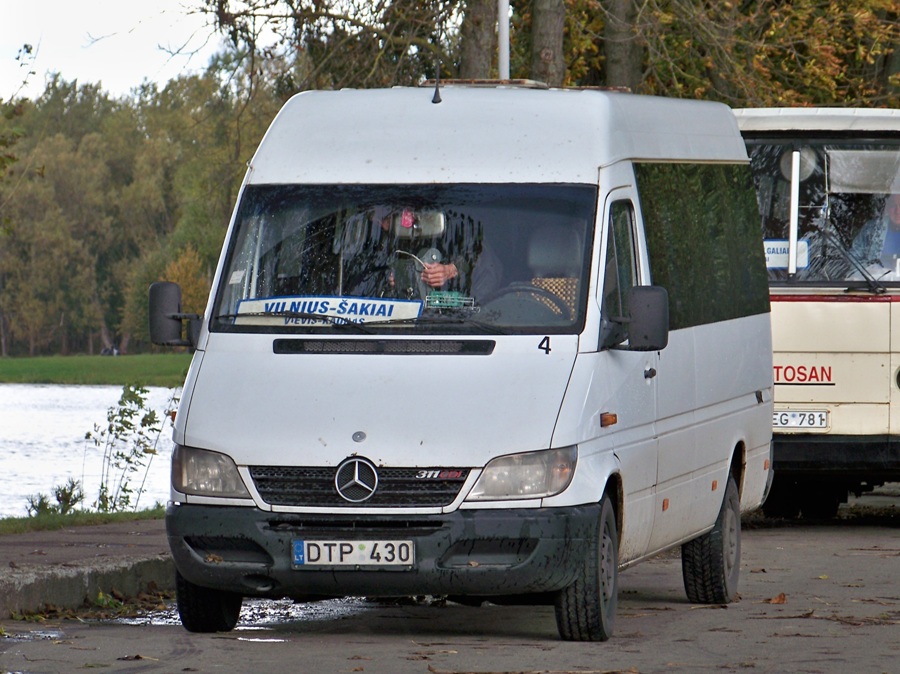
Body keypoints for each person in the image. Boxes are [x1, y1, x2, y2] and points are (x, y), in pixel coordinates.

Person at [851, 193, 900, 270]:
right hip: (873, 281)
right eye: (893, 205)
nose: (898, 211)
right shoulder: (872, 229)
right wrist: (872, 269)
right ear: (887, 207)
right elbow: (852, 260)